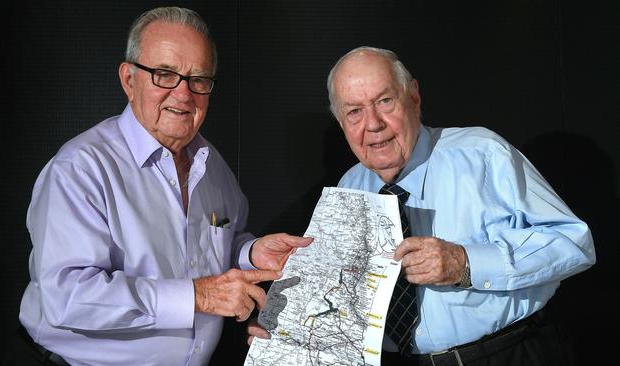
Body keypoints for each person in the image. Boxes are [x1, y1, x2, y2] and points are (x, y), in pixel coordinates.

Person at [248, 46, 595, 366]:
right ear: (341, 122)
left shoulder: (483, 154)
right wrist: (286, 335)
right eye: (354, 111)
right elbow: (340, 300)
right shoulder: (349, 186)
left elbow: (574, 242)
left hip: (506, 354)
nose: (372, 124)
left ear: (413, 97)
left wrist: (466, 263)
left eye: (384, 101)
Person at [6, 7, 312, 366]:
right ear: (128, 79)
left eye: (198, 79)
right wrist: (197, 297)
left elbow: (218, 235)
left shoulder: (212, 167)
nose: (184, 94)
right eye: (164, 74)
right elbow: (68, 297)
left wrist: (251, 252)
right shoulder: (80, 169)